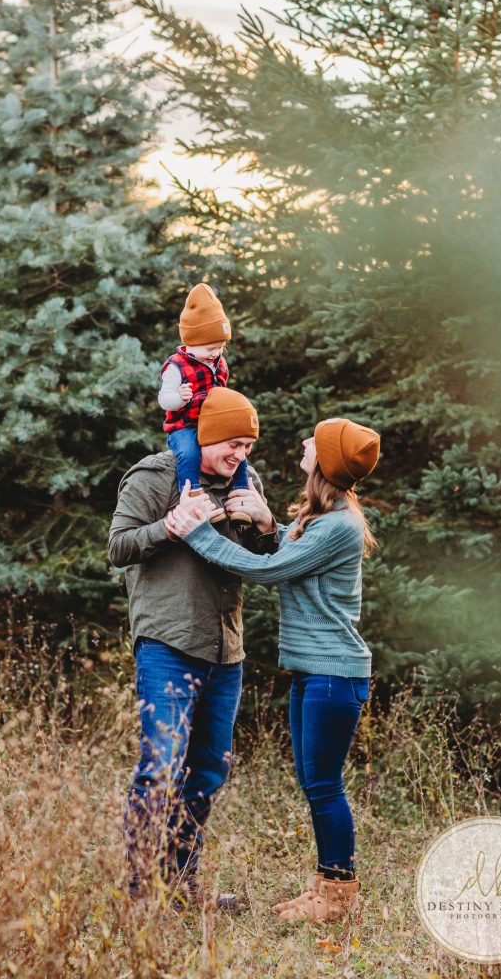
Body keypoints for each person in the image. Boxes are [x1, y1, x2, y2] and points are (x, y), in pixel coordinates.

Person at [166, 418, 380, 923]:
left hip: (335, 673)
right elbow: (296, 554)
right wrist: (269, 526)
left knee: (325, 786)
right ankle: (325, 885)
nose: (305, 443)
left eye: (315, 441)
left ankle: (337, 896)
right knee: (316, 783)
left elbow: (268, 570)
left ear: (327, 461)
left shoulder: (340, 525)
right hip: (315, 672)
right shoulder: (327, 519)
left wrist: (199, 533)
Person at [108, 387, 277, 906]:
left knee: (208, 769)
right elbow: (118, 546)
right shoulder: (155, 476)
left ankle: (181, 885)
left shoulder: (246, 484)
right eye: (233, 443)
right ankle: (141, 894)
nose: (240, 454)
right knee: (161, 766)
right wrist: (170, 526)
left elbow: (264, 557)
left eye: (248, 445)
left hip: (226, 650)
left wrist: (267, 526)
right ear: (205, 433)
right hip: (168, 642)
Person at [159, 281, 251, 525]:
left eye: (221, 347)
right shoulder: (176, 367)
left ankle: (242, 498)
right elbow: (164, 400)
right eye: (211, 347)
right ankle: (194, 497)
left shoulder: (219, 363)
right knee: (189, 454)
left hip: (214, 426)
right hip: (184, 426)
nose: (216, 353)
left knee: (238, 453)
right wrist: (179, 398)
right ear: (191, 342)